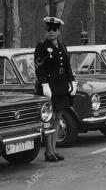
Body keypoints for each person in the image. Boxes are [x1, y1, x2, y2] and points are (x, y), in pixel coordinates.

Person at [34, 17, 76, 162]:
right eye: (48, 29)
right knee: (50, 120)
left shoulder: (62, 46)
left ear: (58, 31)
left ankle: (54, 150)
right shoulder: (41, 46)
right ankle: (48, 152)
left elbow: (67, 67)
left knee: (58, 119)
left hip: (61, 86)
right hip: (50, 88)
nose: (51, 32)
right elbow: (39, 68)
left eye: (54, 29)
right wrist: (44, 84)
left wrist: (72, 80)